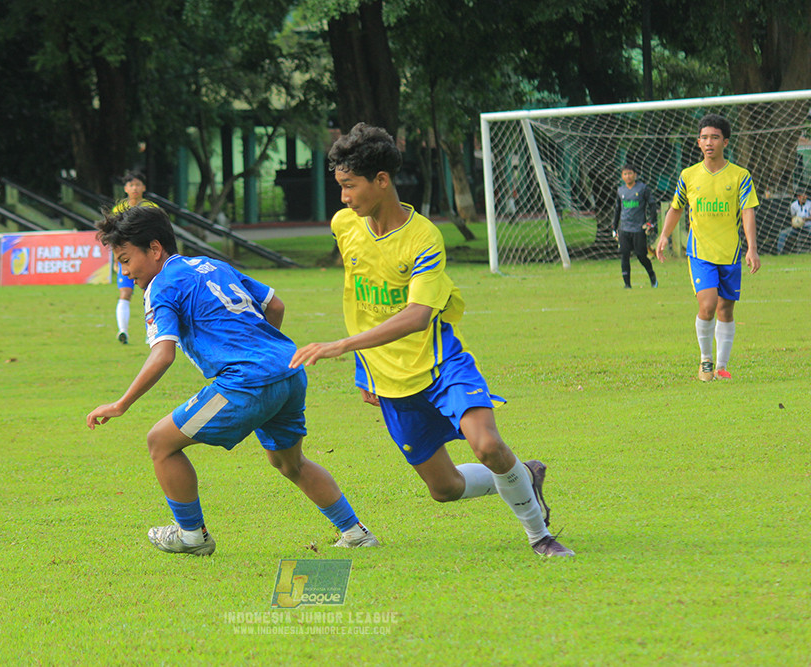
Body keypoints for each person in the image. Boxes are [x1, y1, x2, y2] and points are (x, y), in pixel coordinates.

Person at [289, 123, 574, 558]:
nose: (343, 197)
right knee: (444, 489)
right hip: (388, 380)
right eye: (340, 187)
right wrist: (365, 371)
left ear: (381, 181)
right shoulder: (344, 226)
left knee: (487, 445)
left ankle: (540, 537)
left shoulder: (424, 237)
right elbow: (359, 301)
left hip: (440, 365)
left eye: (350, 186)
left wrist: (341, 346)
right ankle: (525, 474)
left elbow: (419, 316)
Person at [86, 205, 378, 556]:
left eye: (125, 259)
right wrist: (264, 355)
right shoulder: (213, 265)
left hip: (245, 382)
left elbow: (163, 354)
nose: (125, 271)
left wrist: (121, 404)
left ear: (155, 249)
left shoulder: (161, 285)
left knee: (160, 443)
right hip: (288, 371)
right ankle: (355, 532)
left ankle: (192, 536)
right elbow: (276, 305)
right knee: (289, 463)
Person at [656, 113, 760, 381]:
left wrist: (751, 248)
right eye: (704, 137)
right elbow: (676, 208)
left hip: (731, 252)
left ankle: (722, 366)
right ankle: (705, 360)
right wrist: (664, 236)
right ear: (698, 143)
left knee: (726, 308)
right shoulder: (688, 176)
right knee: (708, 304)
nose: (709, 142)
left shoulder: (740, 176)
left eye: (714, 137)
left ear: (725, 141)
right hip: (700, 252)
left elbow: (748, 212)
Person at [111, 171, 158, 344]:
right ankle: (123, 331)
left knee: (150, 294)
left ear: (144, 187)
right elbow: (114, 236)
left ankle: (151, 333)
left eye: (138, 184)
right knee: (125, 293)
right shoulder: (118, 209)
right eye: (131, 185)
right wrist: (116, 260)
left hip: (145, 259)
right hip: (125, 259)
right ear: (125, 188)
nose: (135, 188)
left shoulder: (151, 208)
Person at [611, 164, 658, 288]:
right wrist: (614, 227)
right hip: (624, 228)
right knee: (624, 255)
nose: (628, 176)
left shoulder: (643, 189)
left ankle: (652, 276)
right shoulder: (620, 190)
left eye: (630, 173)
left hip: (638, 228)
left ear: (635, 175)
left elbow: (652, 205)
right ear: (622, 176)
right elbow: (617, 209)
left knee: (641, 255)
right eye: (625, 174)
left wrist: (651, 222)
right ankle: (627, 285)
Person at [774, 190, 811, 254]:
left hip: (808, 226)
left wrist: (804, 219)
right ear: (798, 197)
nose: (805, 197)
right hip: (797, 227)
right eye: (803, 196)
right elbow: (793, 217)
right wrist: (795, 223)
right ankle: (779, 253)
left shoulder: (809, 204)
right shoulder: (793, 205)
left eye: (805, 195)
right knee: (783, 233)